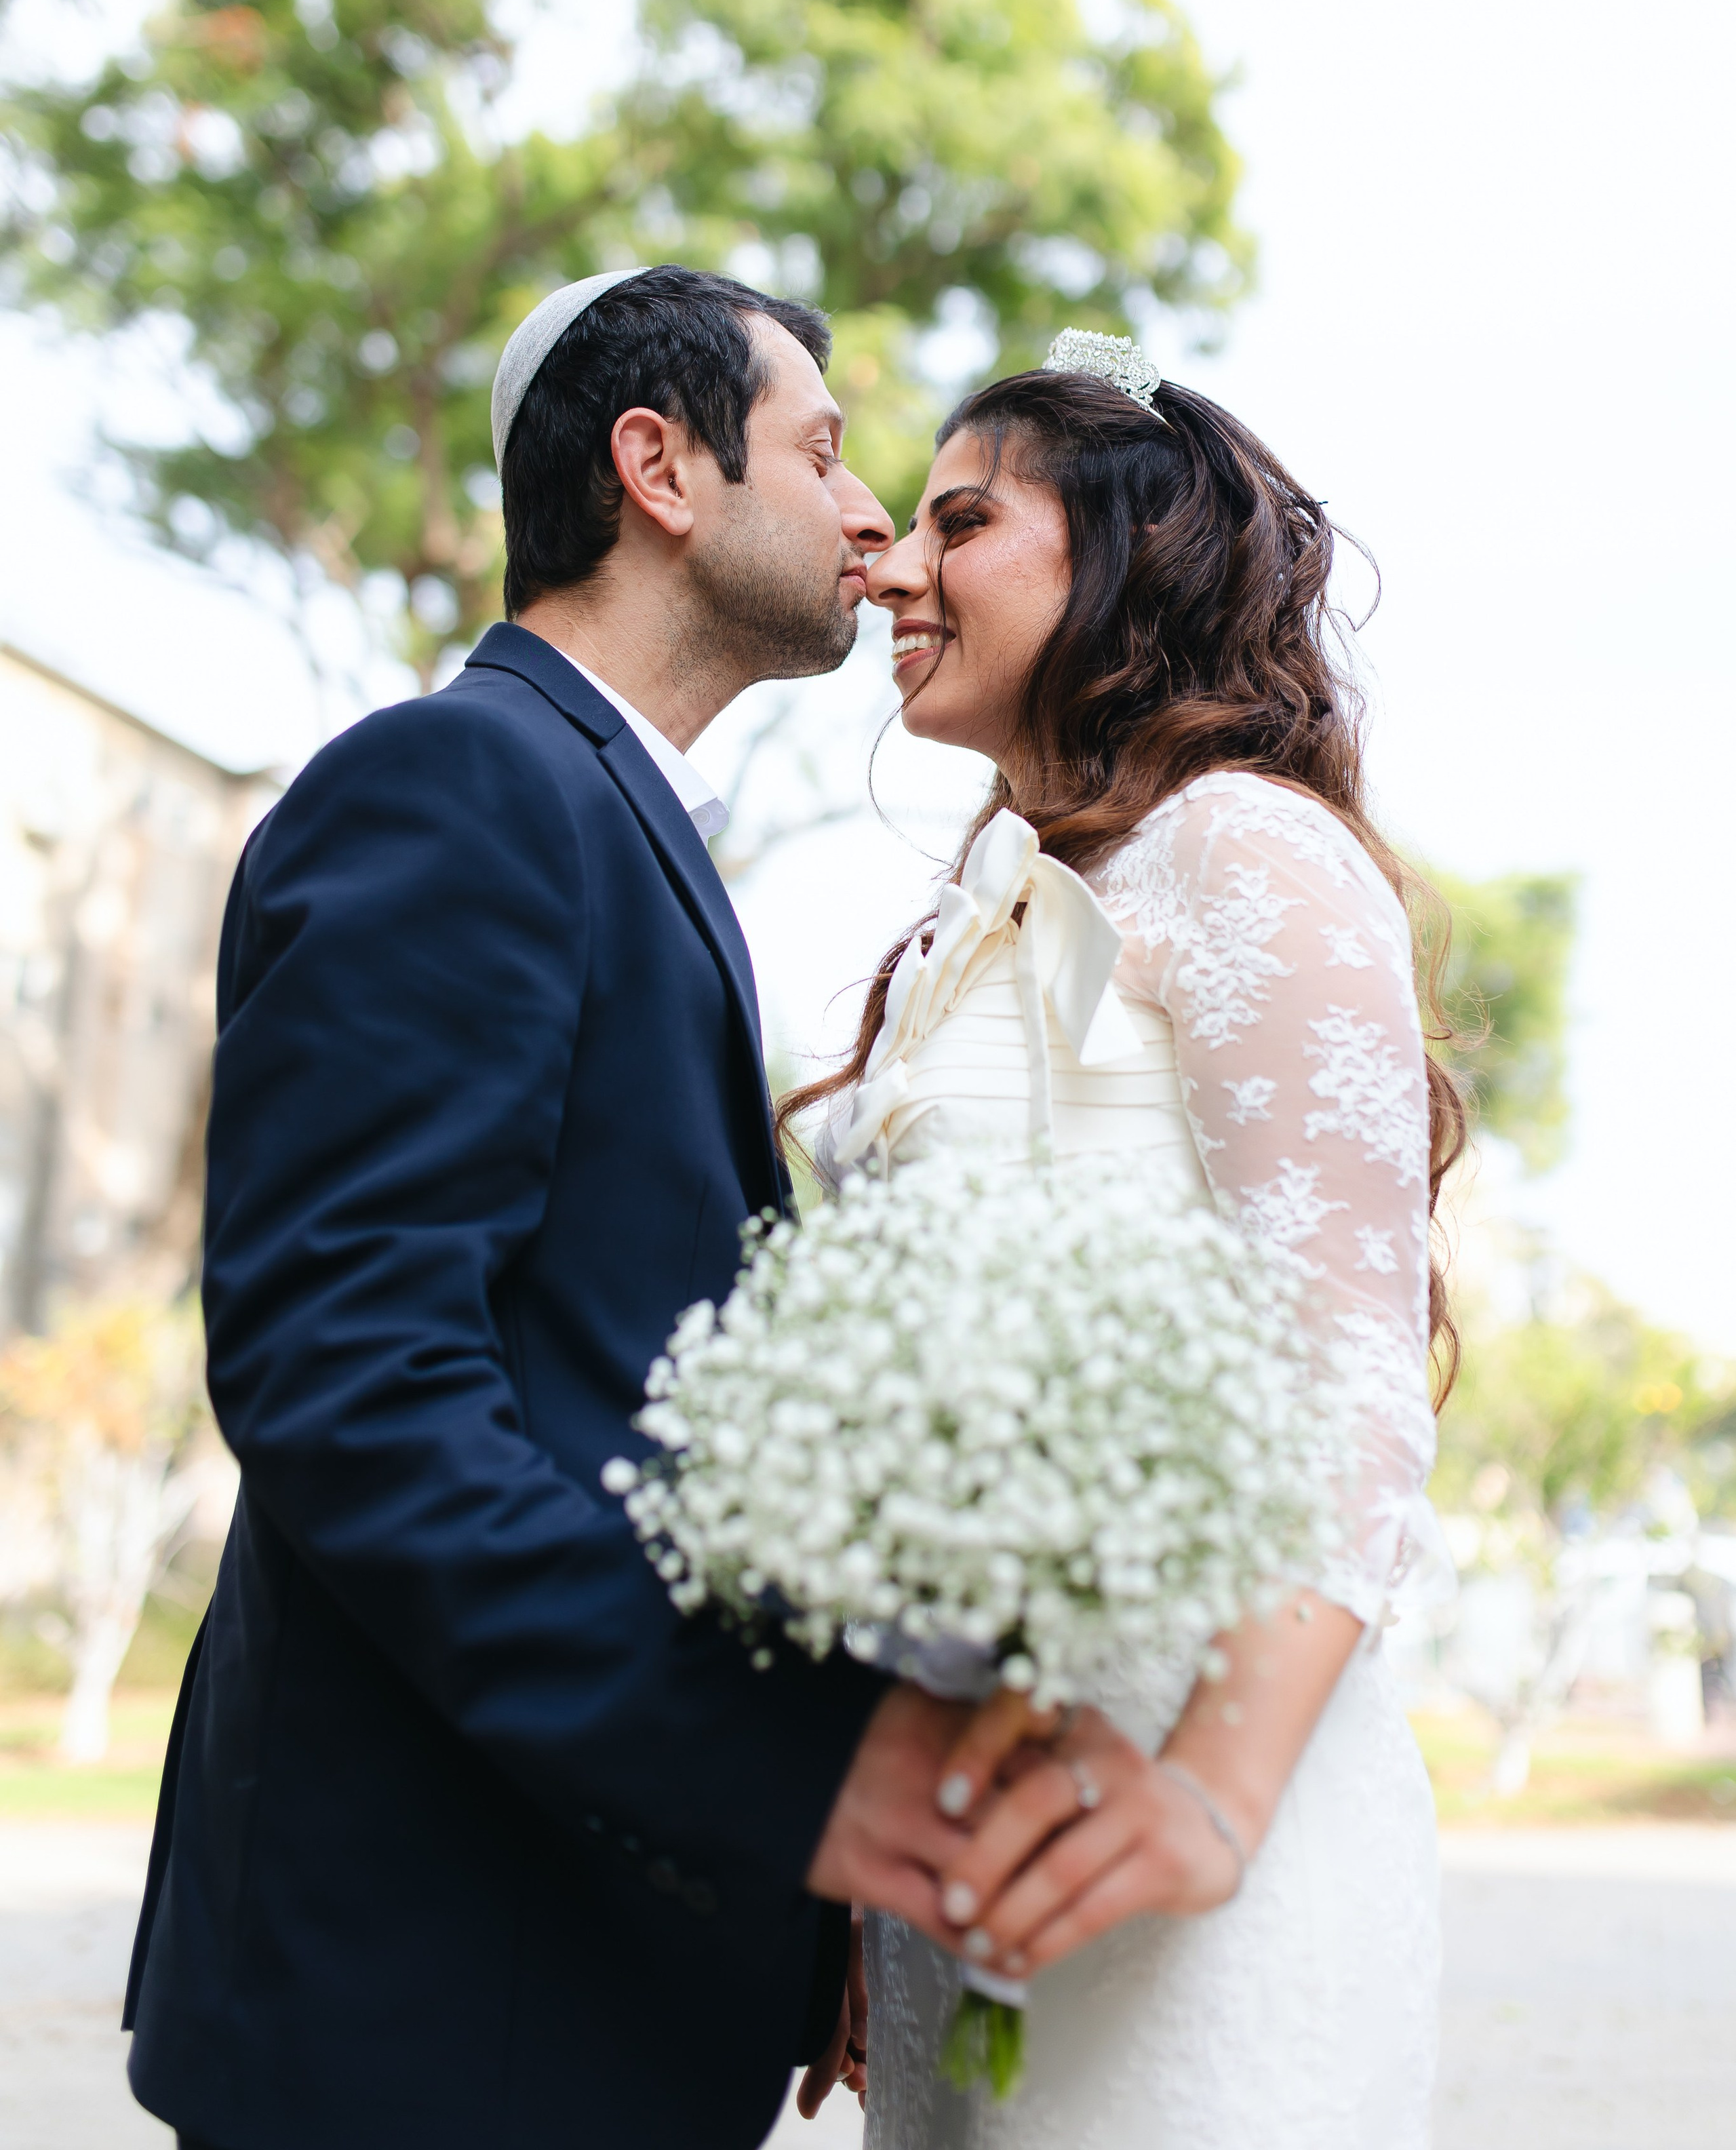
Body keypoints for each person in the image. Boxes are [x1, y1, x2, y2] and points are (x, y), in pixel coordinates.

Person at [122, 266, 1073, 2150]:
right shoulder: (460, 783)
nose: (873, 515)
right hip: (424, 2006)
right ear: (660, 466)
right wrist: (785, 1785)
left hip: (562, 1987)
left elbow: (617, 1391)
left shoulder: (609, 818)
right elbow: (353, 1387)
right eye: (823, 448)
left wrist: (787, 1926)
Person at [785, 335, 1461, 2147]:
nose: (896, 568)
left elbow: (1345, 1366)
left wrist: (1214, 1798)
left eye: (964, 520)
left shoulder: (1251, 854)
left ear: (1125, 555)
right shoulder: (987, 915)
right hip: (975, 1847)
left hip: (1199, 1841)